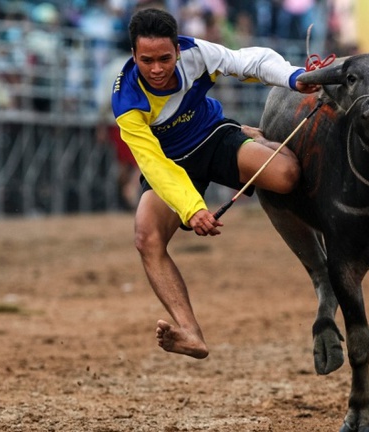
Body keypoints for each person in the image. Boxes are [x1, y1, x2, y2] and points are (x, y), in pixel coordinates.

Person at [111, 8, 320, 359]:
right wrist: (192, 208)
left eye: (165, 58)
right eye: (147, 60)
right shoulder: (126, 102)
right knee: (146, 237)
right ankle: (190, 332)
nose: (158, 69)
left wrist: (293, 77)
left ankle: (250, 136)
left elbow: (250, 61)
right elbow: (155, 165)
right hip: (171, 164)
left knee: (287, 177)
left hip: (211, 137)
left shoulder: (196, 52)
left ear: (177, 50)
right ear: (133, 56)